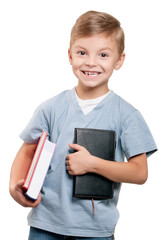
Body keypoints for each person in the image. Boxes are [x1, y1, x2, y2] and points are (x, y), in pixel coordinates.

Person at [9, 10, 157, 240]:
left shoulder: (126, 115)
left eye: (103, 55)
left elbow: (139, 172)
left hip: (94, 231)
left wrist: (93, 164)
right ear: (70, 56)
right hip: (45, 225)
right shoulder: (51, 108)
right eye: (82, 52)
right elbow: (28, 150)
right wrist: (14, 187)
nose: (91, 62)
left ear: (119, 60)